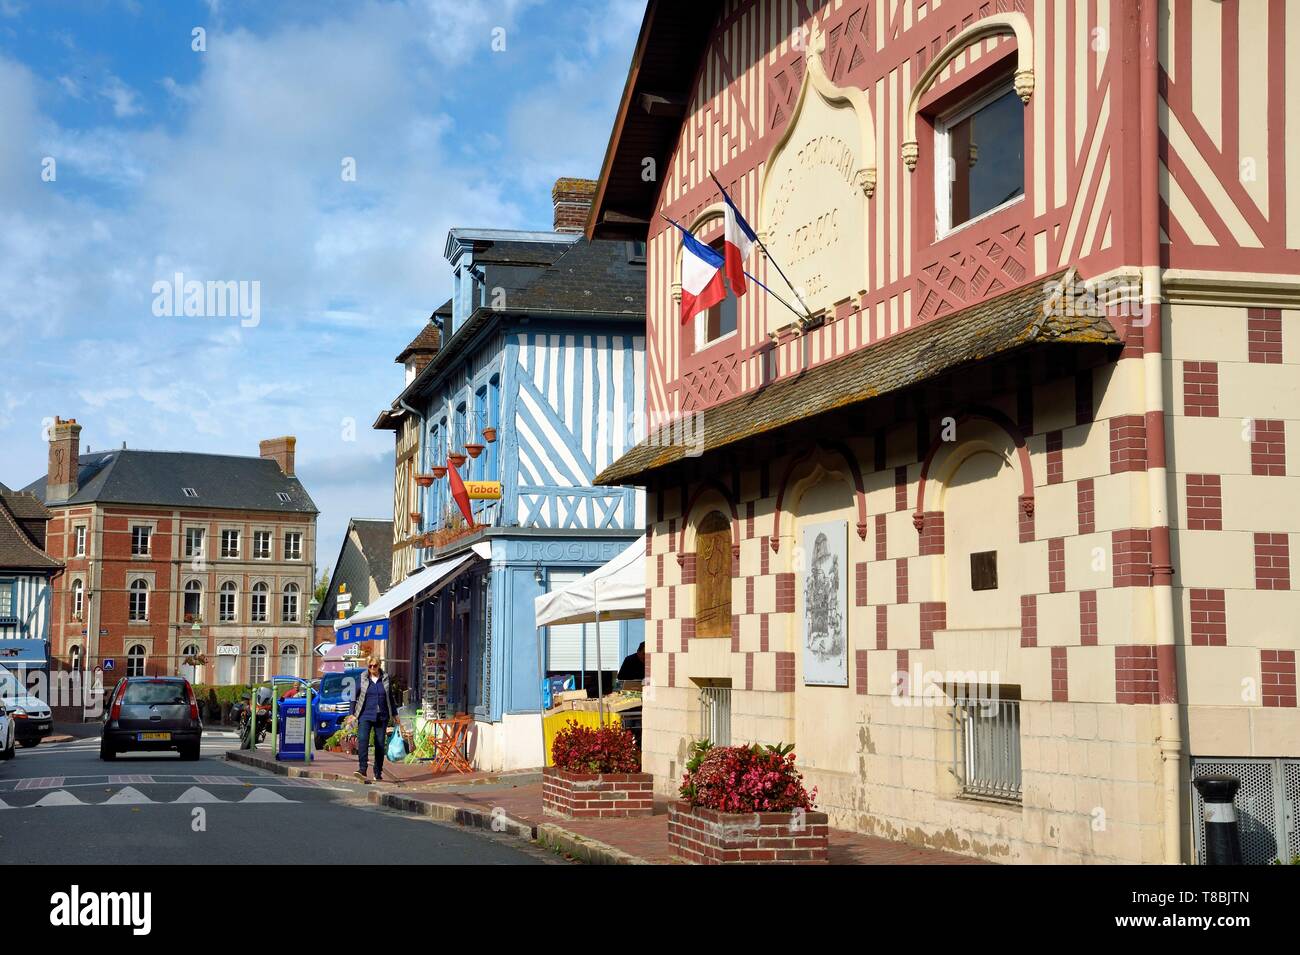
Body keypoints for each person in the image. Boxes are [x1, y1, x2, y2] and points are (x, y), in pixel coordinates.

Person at [353, 658, 401, 783]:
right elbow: (353, 697)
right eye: (370, 666)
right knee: (363, 740)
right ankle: (362, 769)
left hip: (382, 716)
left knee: (379, 744)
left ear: (379, 665)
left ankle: (377, 771)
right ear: (367, 666)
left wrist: (395, 714)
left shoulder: (385, 679)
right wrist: (351, 714)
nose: (373, 668)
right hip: (365, 715)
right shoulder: (362, 679)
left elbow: (390, 697)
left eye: (375, 665)